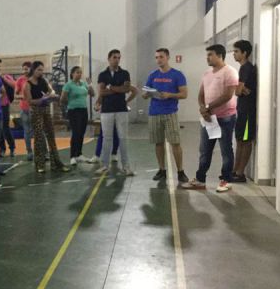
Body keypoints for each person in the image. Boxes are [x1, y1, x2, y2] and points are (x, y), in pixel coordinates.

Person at [182, 44, 238, 192]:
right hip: (209, 119)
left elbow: (228, 95)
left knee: (226, 150)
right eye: (207, 55)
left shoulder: (230, 72)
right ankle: (200, 179)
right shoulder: (207, 73)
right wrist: (203, 108)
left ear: (220, 55)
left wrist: (208, 107)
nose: (207, 58)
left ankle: (226, 180)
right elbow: (201, 94)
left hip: (225, 118)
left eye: (210, 55)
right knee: (205, 150)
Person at [142, 49, 189, 183]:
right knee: (158, 143)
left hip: (170, 113)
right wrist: (146, 94)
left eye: (161, 57)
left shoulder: (177, 75)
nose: (159, 60)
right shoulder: (152, 75)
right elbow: (144, 93)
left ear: (168, 57)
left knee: (175, 143)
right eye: (156, 57)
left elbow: (184, 94)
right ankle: (162, 170)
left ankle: (180, 171)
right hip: (154, 113)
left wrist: (170, 95)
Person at [24, 61, 70, 173]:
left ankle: (56, 164)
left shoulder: (44, 81)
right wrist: (41, 100)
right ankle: (40, 165)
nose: (41, 72)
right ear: (33, 70)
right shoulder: (28, 84)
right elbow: (29, 101)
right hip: (36, 111)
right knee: (39, 138)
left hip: (46, 110)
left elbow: (51, 90)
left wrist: (51, 94)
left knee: (51, 136)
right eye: (39, 70)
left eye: (42, 70)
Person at [96, 49, 133, 176]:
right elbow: (101, 92)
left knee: (123, 138)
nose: (117, 60)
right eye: (114, 57)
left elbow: (126, 89)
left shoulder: (125, 73)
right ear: (109, 59)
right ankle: (104, 165)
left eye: (119, 57)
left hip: (121, 110)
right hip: (106, 111)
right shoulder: (102, 75)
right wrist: (118, 89)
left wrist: (110, 87)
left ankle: (126, 166)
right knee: (107, 138)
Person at [232, 40, 257, 182]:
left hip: (248, 112)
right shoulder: (242, 68)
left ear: (244, 53)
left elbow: (238, 91)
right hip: (242, 111)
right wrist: (241, 89)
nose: (234, 54)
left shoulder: (247, 68)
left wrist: (240, 89)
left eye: (236, 51)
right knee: (239, 140)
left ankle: (240, 174)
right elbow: (240, 90)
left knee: (246, 141)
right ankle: (235, 171)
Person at [60, 66, 95, 165]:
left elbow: (92, 94)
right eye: (77, 72)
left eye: (80, 72)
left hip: (83, 110)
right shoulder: (68, 85)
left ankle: (79, 154)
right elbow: (62, 99)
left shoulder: (83, 83)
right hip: (73, 111)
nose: (79, 74)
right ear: (72, 74)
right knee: (76, 133)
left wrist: (90, 84)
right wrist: (71, 104)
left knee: (81, 133)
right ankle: (72, 156)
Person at [15, 61, 33, 160]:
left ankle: (43, 151)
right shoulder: (20, 80)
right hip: (24, 109)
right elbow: (15, 95)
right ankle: (29, 152)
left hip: (34, 108)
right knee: (26, 131)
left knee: (38, 130)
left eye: (27, 69)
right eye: (23, 69)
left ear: (31, 69)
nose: (25, 71)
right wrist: (22, 96)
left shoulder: (34, 79)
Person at [0, 72, 16, 158]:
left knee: (5, 127)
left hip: (4, 105)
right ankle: (2, 149)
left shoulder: (6, 76)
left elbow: (14, 85)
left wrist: (4, 78)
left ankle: (12, 148)